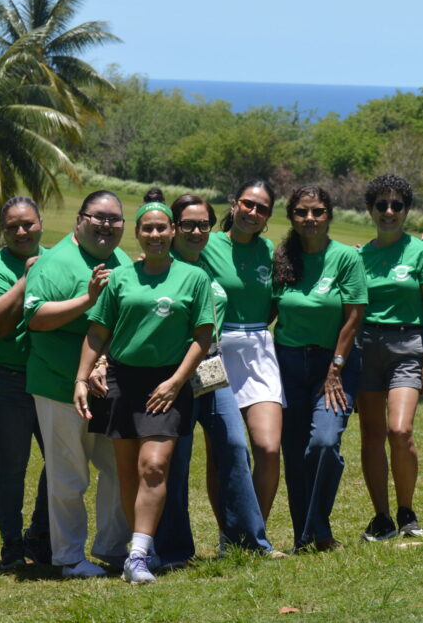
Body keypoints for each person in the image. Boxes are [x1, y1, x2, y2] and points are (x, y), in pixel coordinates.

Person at [74, 200, 213, 584]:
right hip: (122, 380)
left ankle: (134, 556)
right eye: (147, 228)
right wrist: (82, 378)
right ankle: (144, 549)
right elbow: (98, 331)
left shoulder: (193, 278)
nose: (154, 235)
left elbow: (203, 336)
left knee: (153, 465)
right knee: (127, 471)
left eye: (161, 228)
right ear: (137, 233)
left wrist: (176, 382)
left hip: (167, 382)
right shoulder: (121, 278)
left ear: (172, 231)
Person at [152, 192, 278, 567]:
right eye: (188, 224)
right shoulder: (162, 266)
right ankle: (174, 550)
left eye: (202, 224)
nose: (195, 231)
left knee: (234, 445)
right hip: (173, 373)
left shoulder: (207, 261)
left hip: (210, 367)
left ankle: (247, 542)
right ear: (174, 228)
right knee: (178, 458)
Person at [24, 190, 132, 577]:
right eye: (98, 217)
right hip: (57, 385)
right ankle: (69, 557)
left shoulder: (120, 261)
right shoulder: (54, 263)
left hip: (107, 387)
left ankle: (112, 546)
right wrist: (87, 299)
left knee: (119, 467)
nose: (106, 225)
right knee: (69, 475)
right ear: (79, 219)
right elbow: (35, 317)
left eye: (114, 219)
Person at [273, 185, 366, 551]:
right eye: (301, 212)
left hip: (335, 364)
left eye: (317, 212)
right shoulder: (282, 258)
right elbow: (268, 309)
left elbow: (355, 315)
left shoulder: (345, 258)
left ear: (329, 214)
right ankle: (306, 536)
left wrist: (335, 367)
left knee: (324, 443)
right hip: (288, 363)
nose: (310, 219)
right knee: (294, 452)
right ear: (291, 216)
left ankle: (318, 529)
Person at [356, 174, 423, 540]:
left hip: (408, 346)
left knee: (400, 430)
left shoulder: (421, 252)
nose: (389, 212)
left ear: (406, 210)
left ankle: (407, 511)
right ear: (370, 210)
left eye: (397, 205)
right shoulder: (358, 256)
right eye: (382, 205)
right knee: (372, 436)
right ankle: (382, 518)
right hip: (366, 348)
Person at [0, 196, 51, 567]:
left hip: (51, 376)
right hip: (6, 379)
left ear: (40, 223)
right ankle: (12, 544)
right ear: (3, 231)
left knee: (64, 460)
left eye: (28, 223)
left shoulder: (58, 260)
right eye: (12, 226)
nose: (21, 231)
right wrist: (26, 279)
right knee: (11, 465)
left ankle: (40, 533)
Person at [202, 180, 284, 523]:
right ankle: (228, 534)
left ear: (268, 216)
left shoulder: (272, 252)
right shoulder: (207, 244)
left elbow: (276, 304)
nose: (253, 212)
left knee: (267, 448)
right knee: (222, 452)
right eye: (248, 204)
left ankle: (254, 533)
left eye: (262, 208)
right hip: (212, 355)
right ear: (234, 204)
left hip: (259, 349)